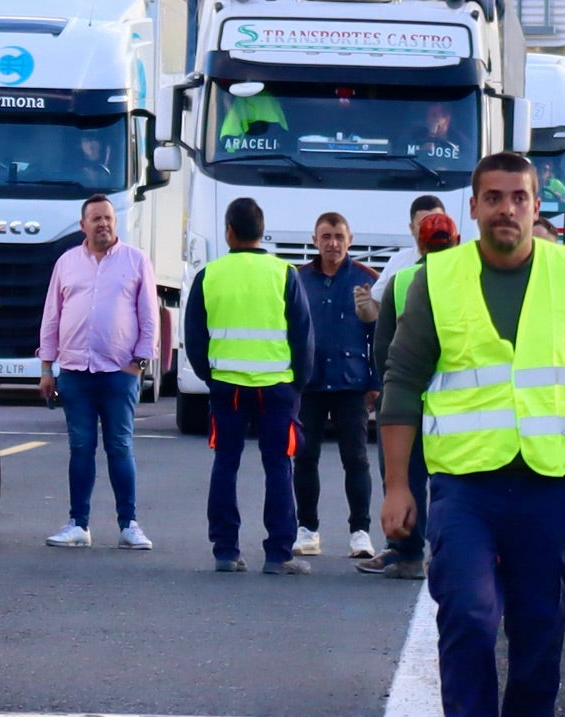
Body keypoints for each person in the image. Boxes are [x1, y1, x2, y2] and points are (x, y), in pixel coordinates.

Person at [378, 153, 565, 717]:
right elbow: (402, 383)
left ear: (535, 206)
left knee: (540, 626)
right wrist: (397, 486)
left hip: (550, 486)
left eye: (518, 197)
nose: (506, 209)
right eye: (493, 197)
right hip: (465, 485)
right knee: (467, 613)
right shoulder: (439, 279)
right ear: (473, 207)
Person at [185, 196, 311, 574]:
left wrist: (211, 374)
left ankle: (225, 549)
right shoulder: (284, 273)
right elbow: (303, 336)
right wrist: (297, 385)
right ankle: (278, 554)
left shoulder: (210, 275)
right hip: (276, 386)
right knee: (278, 466)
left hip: (227, 386)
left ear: (229, 232)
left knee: (226, 463)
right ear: (261, 231)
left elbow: (194, 337)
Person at [40, 192, 156, 551]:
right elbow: (52, 316)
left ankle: (129, 525)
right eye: (96, 219)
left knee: (120, 447)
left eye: (108, 218)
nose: (103, 224)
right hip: (75, 371)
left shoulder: (136, 262)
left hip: (119, 373)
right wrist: (47, 368)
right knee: (81, 447)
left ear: (115, 223)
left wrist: (137, 363)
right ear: (83, 225)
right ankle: (78, 524)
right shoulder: (67, 262)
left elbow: (150, 318)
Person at [365, 194, 458, 575]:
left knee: (406, 476)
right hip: (457, 398)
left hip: (407, 398)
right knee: (454, 480)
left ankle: (406, 553)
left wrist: (389, 390)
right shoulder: (471, 280)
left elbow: (382, 348)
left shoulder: (402, 280)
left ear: (418, 243)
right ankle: (455, 553)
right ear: (455, 242)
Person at [286, 211, 379, 563]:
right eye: (326, 236)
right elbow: (289, 330)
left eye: (339, 236)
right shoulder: (298, 279)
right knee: (305, 457)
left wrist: (375, 381)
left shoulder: (366, 279)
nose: (333, 243)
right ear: (314, 241)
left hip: (351, 383)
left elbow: (379, 336)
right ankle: (307, 529)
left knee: (355, 459)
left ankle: (360, 532)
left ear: (350, 240)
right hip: (308, 383)